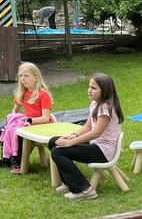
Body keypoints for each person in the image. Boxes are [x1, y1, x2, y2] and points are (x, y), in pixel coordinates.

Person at [49, 73, 123, 201]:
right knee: (53, 142)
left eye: (94, 88)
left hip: (104, 151)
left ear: (105, 91)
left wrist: (71, 143)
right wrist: (73, 136)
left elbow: (96, 133)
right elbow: (88, 126)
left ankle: (84, 190)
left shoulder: (106, 108)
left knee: (58, 151)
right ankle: (69, 182)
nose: (89, 90)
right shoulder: (95, 104)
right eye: (89, 86)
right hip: (95, 144)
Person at [0, 62, 53, 173]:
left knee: (17, 134)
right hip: (27, 123)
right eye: (20, 76)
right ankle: (7, 160)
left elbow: (45, 118)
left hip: (40, 126)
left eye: (26, 76)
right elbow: (14, 111)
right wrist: (13, 120)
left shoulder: (43, 94)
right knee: (3, 131)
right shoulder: (22, 93)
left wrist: (29, 120)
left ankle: (18, 163)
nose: (22, 79)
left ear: (36, 78)